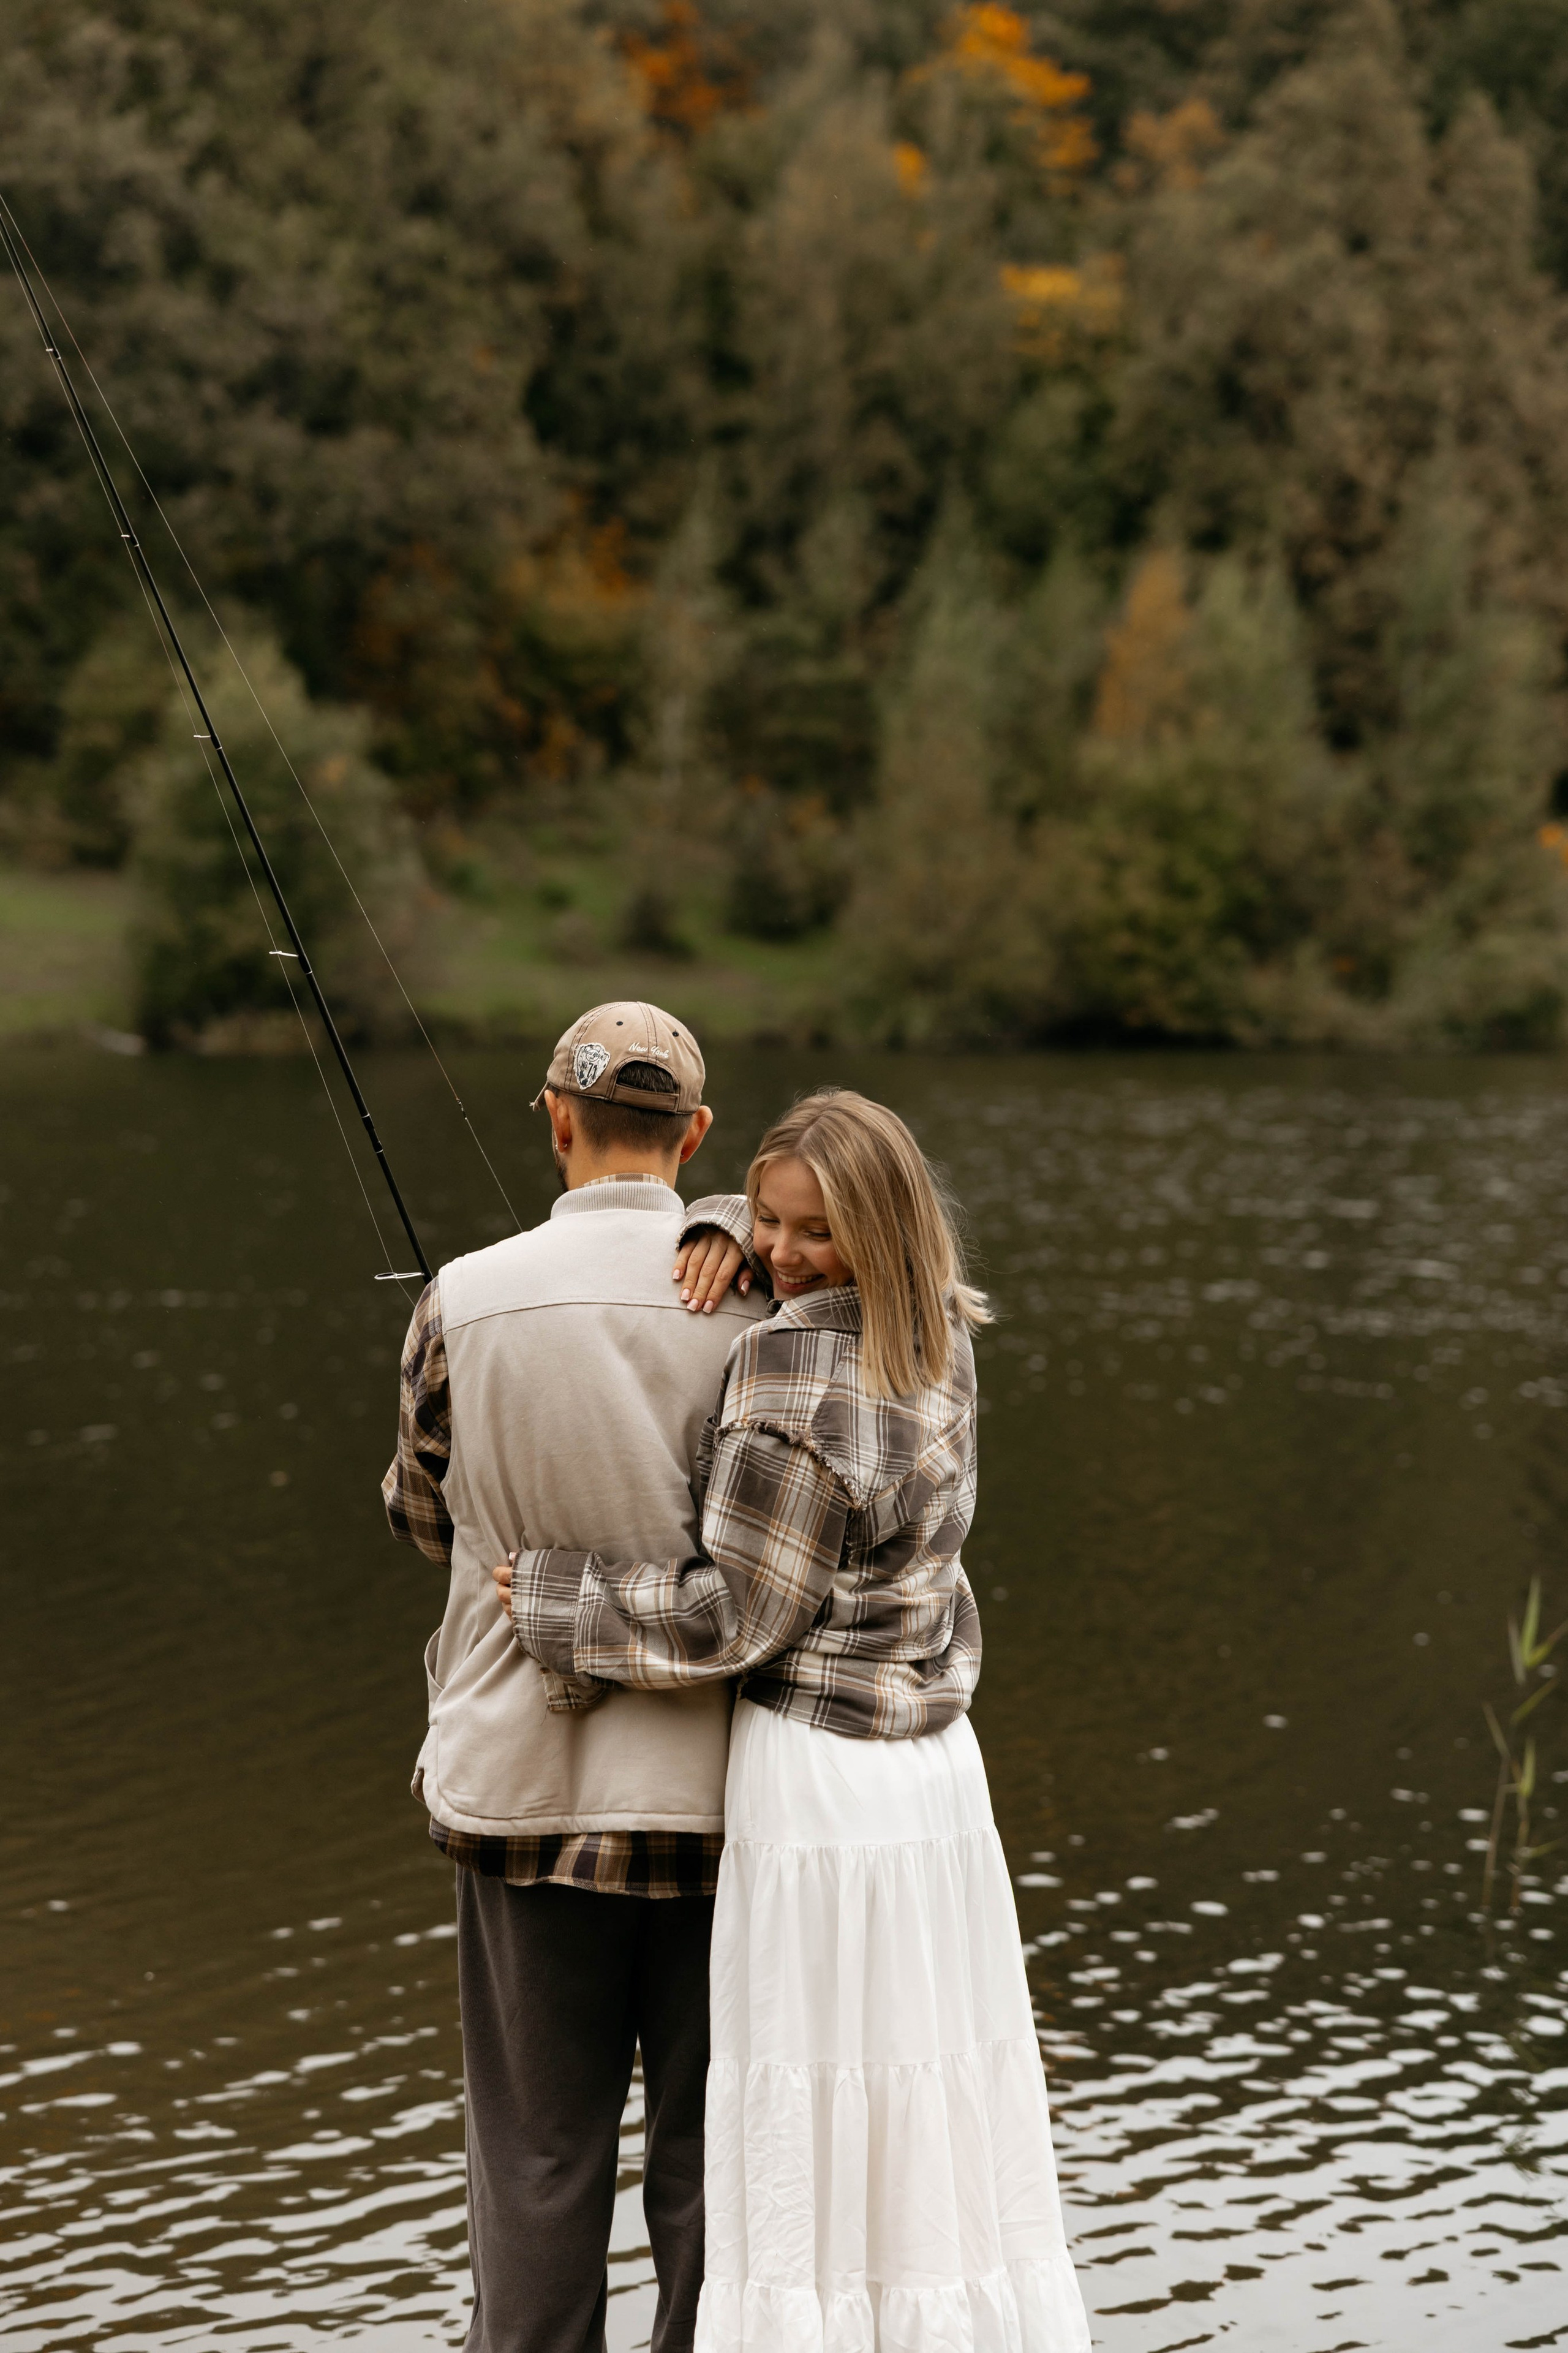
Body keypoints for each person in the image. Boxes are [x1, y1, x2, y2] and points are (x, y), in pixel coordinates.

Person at [498, 1089, 1091, 2352]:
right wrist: (729, 1217)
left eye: (807, 1231)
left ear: (875, 1230)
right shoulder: (937, 1330)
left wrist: (562, 1598)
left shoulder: (782, 1366)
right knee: (920, 2101)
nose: (777, 1253)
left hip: (818, 1776)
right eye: (764, 1221)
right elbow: (813, 1249)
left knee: (807, 2102)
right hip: (933, 1773)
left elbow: (737, 1621)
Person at [383, 1001, 766, 2353]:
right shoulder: (770, 1299)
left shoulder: (460, 1297)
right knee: (713, 2166)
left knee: (536, 2164)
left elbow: (421, 1516)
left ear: (555, 1121)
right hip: (725, 1807)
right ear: (696, 1135)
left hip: (520, 1799)